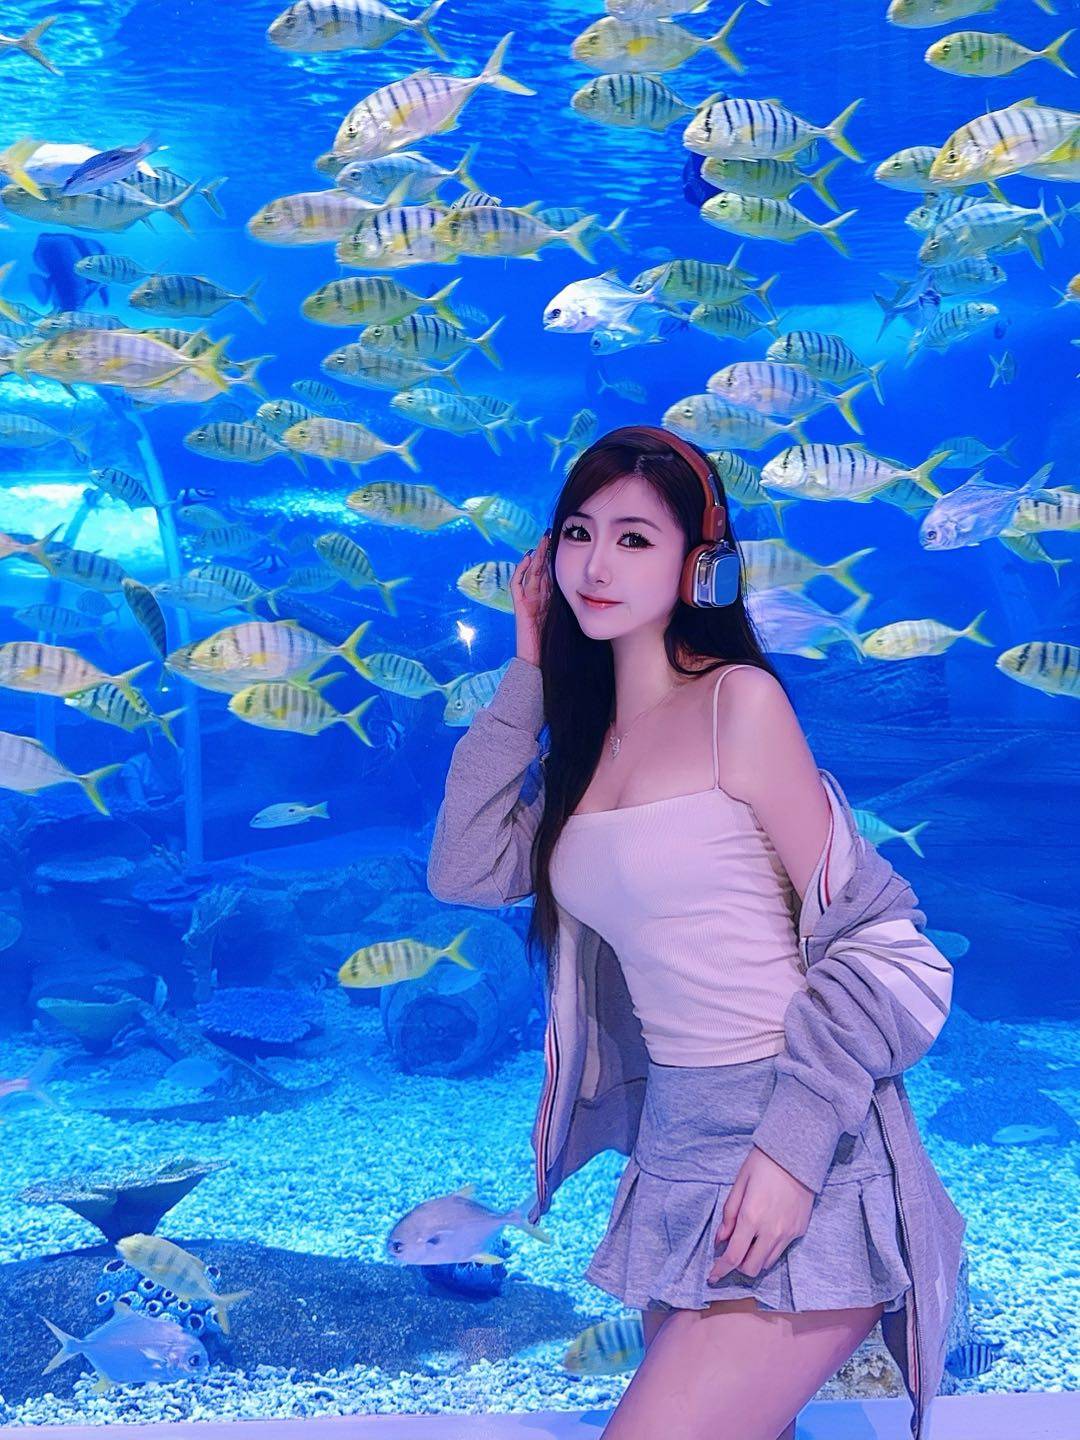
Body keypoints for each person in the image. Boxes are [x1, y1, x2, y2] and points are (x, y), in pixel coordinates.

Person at [429, 424, 963, 1440]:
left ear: (698, 563)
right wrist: (529, 671)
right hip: (674, 1150)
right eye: (579, 533)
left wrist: (793, 1153)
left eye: (635, 538)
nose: (596, 564)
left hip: (800, 1137)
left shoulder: (738, 705)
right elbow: (462, 868)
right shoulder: (586, 750)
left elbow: (882, 939)